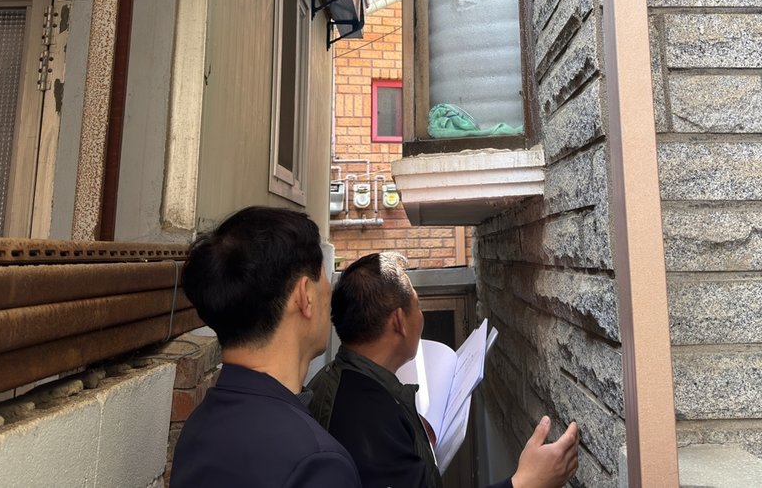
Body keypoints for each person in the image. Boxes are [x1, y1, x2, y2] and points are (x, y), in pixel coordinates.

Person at [308, 252, 579, 488]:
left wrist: (415, 437)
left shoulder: (338, 382)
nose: (421, 316)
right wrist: (525, 482)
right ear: (399, 321)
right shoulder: (371, 423)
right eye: (417, 305)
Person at [172, 206, 361, 488]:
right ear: (305, 296)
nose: (329, 292)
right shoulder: (316, 462)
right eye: (324, 278)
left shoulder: (198, 428)